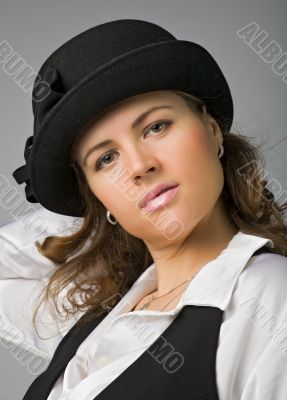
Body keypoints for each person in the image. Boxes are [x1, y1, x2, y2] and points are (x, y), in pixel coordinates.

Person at [1, 18, 287, 400]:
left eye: (156, 127)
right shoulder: (98, 312)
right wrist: (95, 220)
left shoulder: (266, 297)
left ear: (212, 129)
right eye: (105, 159)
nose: (138, 167)